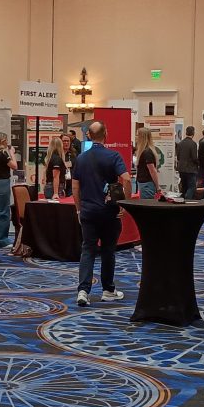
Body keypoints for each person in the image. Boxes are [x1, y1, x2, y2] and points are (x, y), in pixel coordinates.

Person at [73, 120, 131, 307]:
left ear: (88, 135)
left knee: (88, 249)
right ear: (106, 135)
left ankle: (83, 291)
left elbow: (75, 185)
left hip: (88, 211)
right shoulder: (114, 156)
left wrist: (78, 208)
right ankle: (108, 290)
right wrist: (124, 204)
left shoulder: (81, 158)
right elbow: (127, 180)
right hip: (109, 212)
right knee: (108, 250)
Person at [0, 132, 17, 247]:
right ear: (2, 141)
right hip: (2, 184)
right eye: (6, 140)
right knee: (4, 212)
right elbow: (14, 166)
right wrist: (12, 153)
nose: (7, 142)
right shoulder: (3, 154)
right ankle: (2, 240)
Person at [134, 127, 160, 199]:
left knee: (147, 208)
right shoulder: (145, 151)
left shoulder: (147, 152)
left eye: (137, 135)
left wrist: (158, 187)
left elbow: (152, 170)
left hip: (146, 185)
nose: (136, 137)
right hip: (145, 184)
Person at [176, 126, 199, 199]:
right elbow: (194, 158)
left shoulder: (180, 143)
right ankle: (187, 201)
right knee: (192, 187)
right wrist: (198, 164)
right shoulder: (193, 144)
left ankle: (182, 201)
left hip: (181, 169)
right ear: (193, 133)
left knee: (184, 187)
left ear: (186, 132)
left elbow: (178, 156)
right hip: (191, 169)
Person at [43, 135, 67, 200]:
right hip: (54, 188)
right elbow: (55, 176)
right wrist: (56, 193)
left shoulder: (51, 157)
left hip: (51, 186)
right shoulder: (57, 159)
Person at [197, 129, 204, 195]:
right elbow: (201, 155)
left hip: (202, 164)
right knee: (202, 180)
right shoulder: (203, 142)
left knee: (202, 180)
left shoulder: (201, 141)